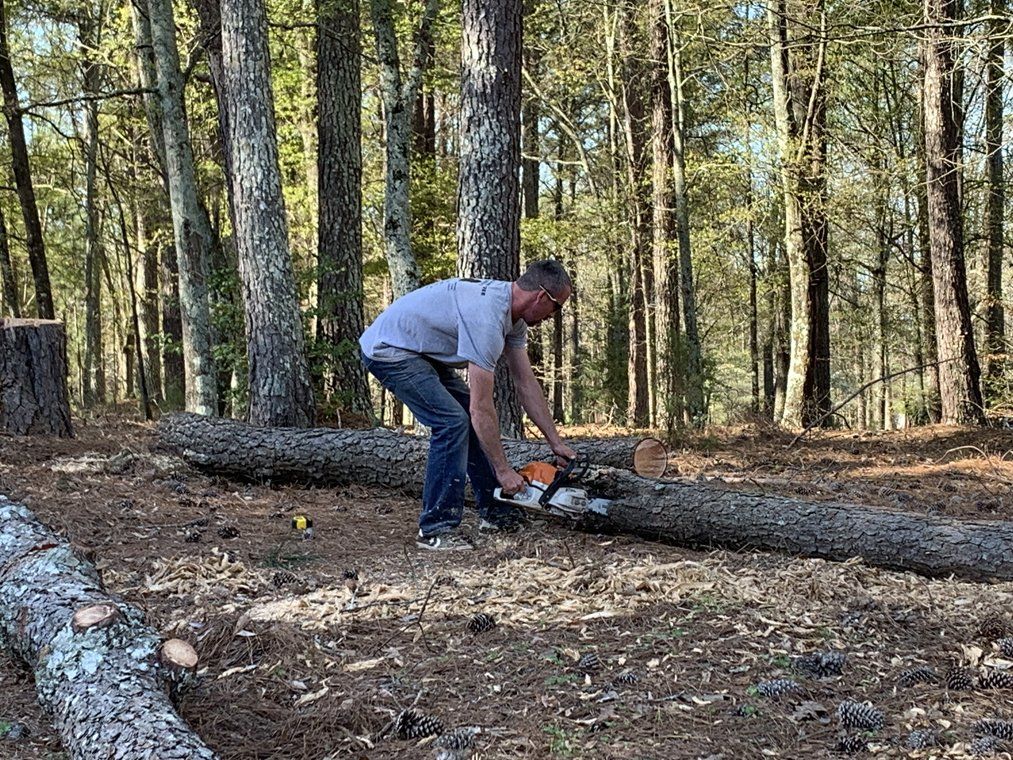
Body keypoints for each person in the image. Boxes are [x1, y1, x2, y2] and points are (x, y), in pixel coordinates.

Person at [359, 260, 578, 550]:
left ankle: (496, 511)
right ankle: (436, 528)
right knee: (452, 422)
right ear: (540, 296)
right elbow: (480, 408)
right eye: (556, 307)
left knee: (465, 421)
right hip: (389, 349)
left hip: (423, 353)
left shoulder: (514, 319)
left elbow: (526, 384)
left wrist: (556, 442)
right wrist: (503, 471)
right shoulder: (487, 319)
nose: (554, 316)